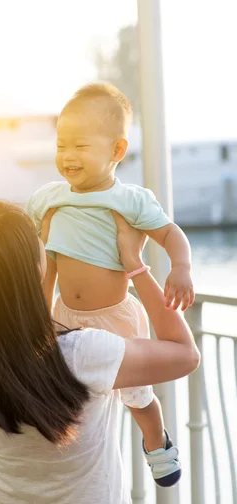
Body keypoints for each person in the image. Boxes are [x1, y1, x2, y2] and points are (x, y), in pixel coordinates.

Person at [0, 200, 199, 503]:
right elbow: (186, 355)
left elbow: (30, 333)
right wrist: (134, 265)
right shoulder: (84, 354)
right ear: (35, 270)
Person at [25, 82, 195, 486]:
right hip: (65, 316)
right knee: (73, 399)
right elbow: (38, 256)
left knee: (137, 398)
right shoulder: (49, 199)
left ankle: (157, 443)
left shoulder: (131, 200)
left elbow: (171, 234)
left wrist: (181, 267)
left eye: (81, 147)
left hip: (116, 317)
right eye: (62, 145)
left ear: (117, 151)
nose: (67, 156)